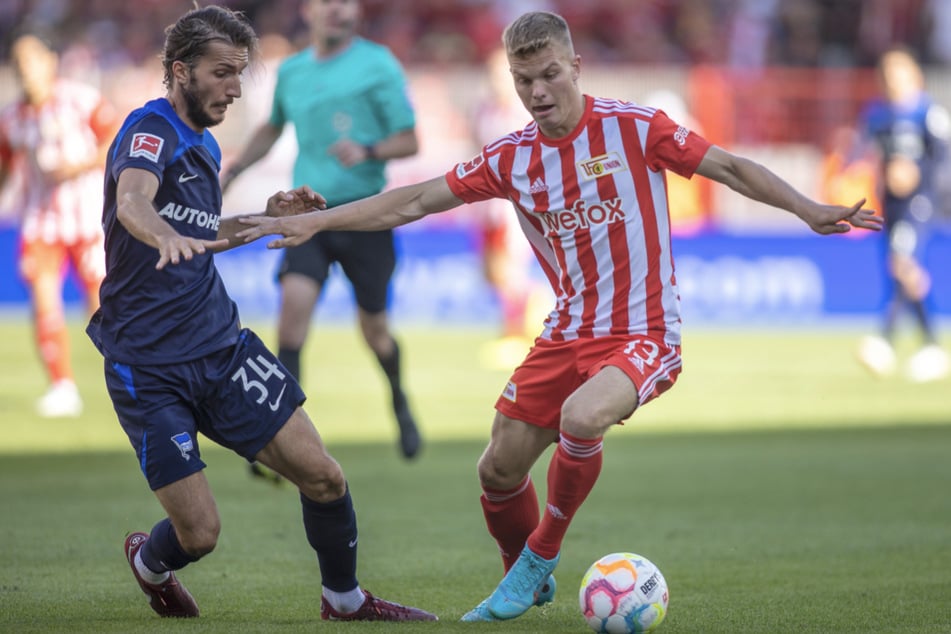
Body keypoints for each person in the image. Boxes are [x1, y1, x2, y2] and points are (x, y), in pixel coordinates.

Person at [236, 10, 882, 623]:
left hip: (644, 331)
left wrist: (806, 208)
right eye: (524, 81)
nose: (537, 92)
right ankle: (527, 570)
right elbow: (411, 202)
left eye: (548, 75)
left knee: (581, 416)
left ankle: (536, 558)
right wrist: (315, 220)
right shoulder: (512, 157)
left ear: (574, 65)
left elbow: (730, 166)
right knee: (496, 469)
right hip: (567, 331)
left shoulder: (635, 127)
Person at [85, 5, 436, 622]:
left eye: (240, 73)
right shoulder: (149, 131)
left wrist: (268, 217)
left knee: (324, 477)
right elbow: (133, 199)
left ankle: (345, 601)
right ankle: (150, 563)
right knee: (199, 535)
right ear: (180, 70)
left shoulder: (205, 143)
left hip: (221, 347)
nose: (236, 88)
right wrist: (158, 234)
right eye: (222, 73)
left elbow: (203, 232)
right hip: (148, 365)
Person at [221, 0, 423, 461]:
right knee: (292, 313)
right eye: (328, 3)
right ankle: (281, 435)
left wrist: (369, 149)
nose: (337, 10)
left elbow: (410, 140)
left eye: (346, 3)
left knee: (375, 331)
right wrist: (233, 172)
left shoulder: (378, 64)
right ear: (308, 11)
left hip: (368, 214)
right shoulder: (291, 72)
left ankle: (399, 399)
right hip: (308, 214)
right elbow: (272, 128)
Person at [0, 32, 119, 418]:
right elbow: (5, 167)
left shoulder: (79, 99)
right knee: (43, 301)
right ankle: (62, 386)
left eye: (32, 61)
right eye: (19, 65)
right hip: (40, 223)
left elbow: (114, 138)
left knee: (101, 306)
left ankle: (126, 376)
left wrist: (80, 165)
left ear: (49, 62)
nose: (26, 71)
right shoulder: (12, 119)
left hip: (87, 219)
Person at [854, 46, 950, 382]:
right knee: (904, 269)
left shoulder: (928, 112)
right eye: (888, 72)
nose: (893, 79)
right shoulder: (878, 115)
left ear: (914, 75)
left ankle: (888, 341)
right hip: (891, 205)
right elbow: (860, 151)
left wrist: (917, 179)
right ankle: (931, 346)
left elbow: (944, 158)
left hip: (920, 202)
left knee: (902, 263)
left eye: (900, 71)